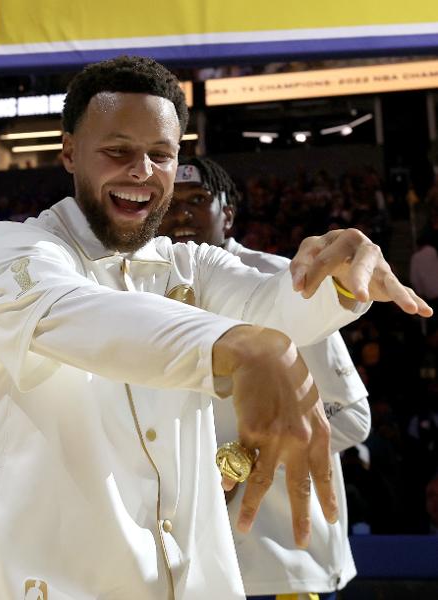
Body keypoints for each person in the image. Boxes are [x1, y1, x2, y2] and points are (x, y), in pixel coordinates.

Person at [0, 56, 431, 600]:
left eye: (161, 155)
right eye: (117, 151)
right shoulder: (12, 251)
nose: (142, 171)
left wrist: (333, 280)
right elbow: (82, 314)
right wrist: (237, 344)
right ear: (68, 152)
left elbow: (273, 302)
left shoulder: (190, 264)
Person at [160, 157, 371, 600]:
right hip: (185, 567)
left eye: (198, 200)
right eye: (171, 202)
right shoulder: (142, 292)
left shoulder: (282, 280)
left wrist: (237, 458)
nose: (182, 214)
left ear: (228, 214)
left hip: (285, 562)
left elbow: (350, 417)